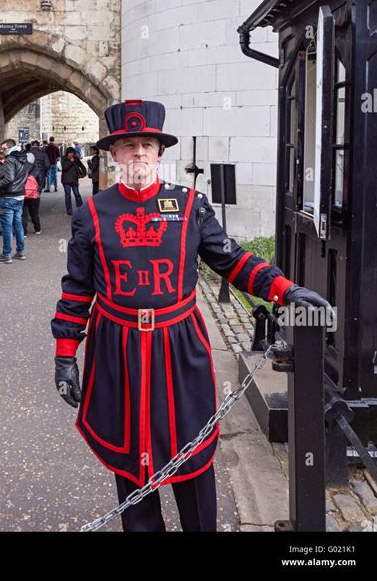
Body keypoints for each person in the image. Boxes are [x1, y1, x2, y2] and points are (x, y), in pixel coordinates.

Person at [50, 99, 332, 533]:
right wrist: (65, 353)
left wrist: (284, 289)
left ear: (161, 152)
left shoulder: (189, 205)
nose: (139, 153)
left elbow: (231, 260)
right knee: (129, 459)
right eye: (129, 145)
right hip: (117, 349)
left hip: (179, 348)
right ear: (114, 154)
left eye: (147, 144)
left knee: (192, 451)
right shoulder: (92, 213)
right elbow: (77, 289)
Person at [0, 139, 29, 263]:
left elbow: (9, 178)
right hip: (20, 195)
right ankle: (20, 252)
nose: (2, 151)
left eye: (3, 148)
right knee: (18, 224)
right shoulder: (23, 158)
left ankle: (6, 254)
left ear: (9, 147)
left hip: (9, 195)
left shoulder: (10, 159)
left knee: (7, 227)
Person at [60, 146, 86, 215]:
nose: (71, 154)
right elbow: (64, 168)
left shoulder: (76, 159)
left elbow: (82, 166)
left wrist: (84, 173)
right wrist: (71, 162)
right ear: (67, 153)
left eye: (72, 153)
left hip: (74, 179)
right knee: (68, 195)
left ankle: (80, 208)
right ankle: (69, 210)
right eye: (70, 153)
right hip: (66, 180)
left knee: (77, 194)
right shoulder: (64, 159)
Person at [22, 152, 41, 235]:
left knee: (23, 214)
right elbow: (41, 181)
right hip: (34, 194)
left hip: (23, 193)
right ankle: (37, 229)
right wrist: (38, 191)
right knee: (34, 213)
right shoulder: (37, 169)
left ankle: (24, 232)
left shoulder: (22, 168)